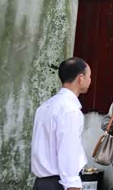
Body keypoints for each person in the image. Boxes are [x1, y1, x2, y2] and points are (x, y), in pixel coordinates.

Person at [31, 57, 91, 190]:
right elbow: (68, 153)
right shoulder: (70, 110)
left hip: (42, 182)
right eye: (89, 76)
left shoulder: (46, 106)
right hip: (59, 183)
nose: (90, 80)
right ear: (80, 78)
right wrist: (73, 185)